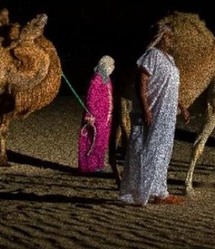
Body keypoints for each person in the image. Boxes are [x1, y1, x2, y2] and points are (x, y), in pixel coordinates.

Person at [118, 23, 184, 206]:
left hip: (167, 115)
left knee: (163, 152)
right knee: (148, 150)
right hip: (154, 111)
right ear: (161, 36)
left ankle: (160, 192)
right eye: (169, 37)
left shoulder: (170, 59)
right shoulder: (151, 55)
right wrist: (146, 108)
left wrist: (181, 106)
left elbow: (171, 87)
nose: (171, 40)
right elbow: (143, 82)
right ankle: (142, 193)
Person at [77, 55, 115, 174]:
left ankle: (99, 164)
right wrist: (90, 114)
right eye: (110, 65)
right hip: (96, 116)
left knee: (102, 141)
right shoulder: (96, 80)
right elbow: (90, 99)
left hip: (105, 117)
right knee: (93, 141)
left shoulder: (107, 79)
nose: (112, 68)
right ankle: (90, 167)